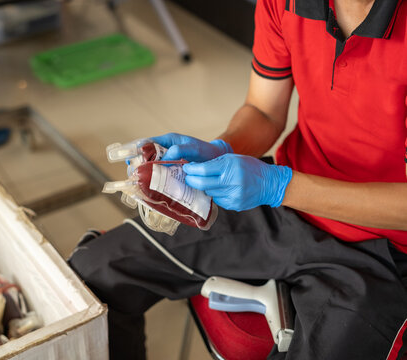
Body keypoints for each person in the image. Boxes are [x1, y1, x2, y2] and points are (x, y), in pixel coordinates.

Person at [68, 0, 407, 358]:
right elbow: (263, 110)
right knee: (93, 276)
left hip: (384, 250)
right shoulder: (285, 3)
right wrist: (222, 149)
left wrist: (280, 186)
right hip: (284, 205)